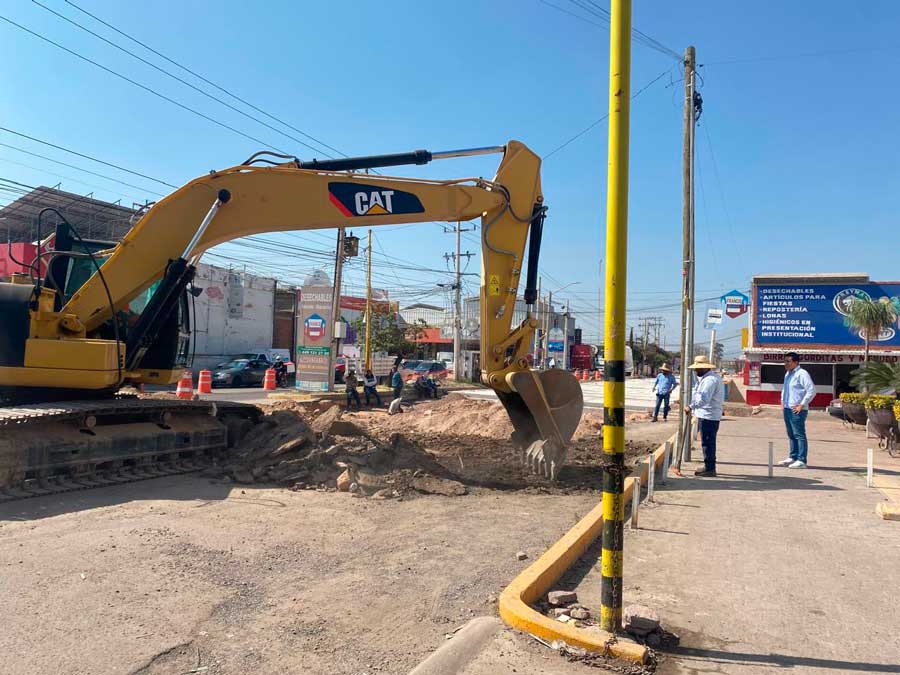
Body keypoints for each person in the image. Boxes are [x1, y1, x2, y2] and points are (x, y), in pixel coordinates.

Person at [684, 355, 724, 477]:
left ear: (704, 368)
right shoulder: (707, 378)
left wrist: (691, 406)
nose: (696, 371)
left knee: (708, 442)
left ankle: (710, 468)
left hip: (708, 415)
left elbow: (704, 399)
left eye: (698, 368)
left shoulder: (709, 380)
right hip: (707, 415)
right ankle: (708, 466)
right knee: (707, 442)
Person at [779, 352, 816, 469]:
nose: (786, 364)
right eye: (785, 361)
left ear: (796, 362)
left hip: (798, 409)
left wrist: (802, 404)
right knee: (790, 433)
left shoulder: (802, 374)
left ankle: (802, 460)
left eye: (788, 361)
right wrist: (782, 402)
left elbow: (811, 390)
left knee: (799, 434)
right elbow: (785, 389)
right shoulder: (787, 374)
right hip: (787, 408)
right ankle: (793, 456)